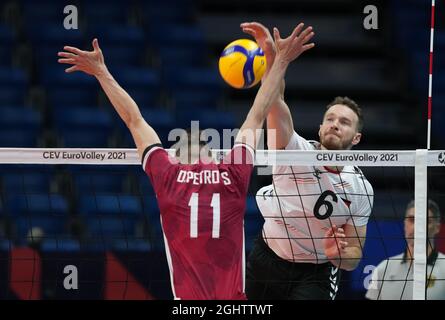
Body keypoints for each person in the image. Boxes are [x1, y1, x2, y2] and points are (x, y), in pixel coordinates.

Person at [57, 24, 315, 299]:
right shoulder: (232, 173)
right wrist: (278, 59)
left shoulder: (168, 174)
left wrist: (101, 72)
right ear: (214, 155)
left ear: (175, 156)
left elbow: (133, 119)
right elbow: (259, 110)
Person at [240, 22, 374, 300]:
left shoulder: (360, 187)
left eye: (345, 122)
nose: (335, 125)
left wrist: (340, 255)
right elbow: (273, 101)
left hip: (316, 273)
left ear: (357, 138)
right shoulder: (292, 148)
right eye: (331, 119)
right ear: (320, 128)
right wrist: (274, 56)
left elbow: (354, 255)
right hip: (267, 259)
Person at [366, 199, 445, 300]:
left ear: (437, 227)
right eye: (412, 220)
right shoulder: (383, 269)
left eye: (425, 221)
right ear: (404, 223)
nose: (417, 227)